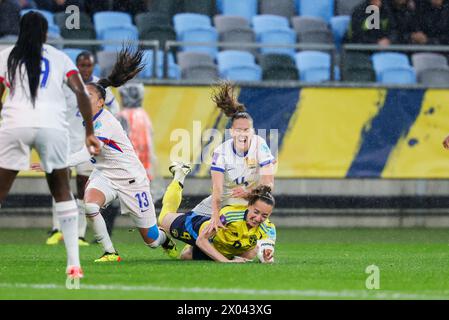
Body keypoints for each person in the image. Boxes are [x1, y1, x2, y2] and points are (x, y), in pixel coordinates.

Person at [0, 12, 100, 279]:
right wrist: (90, 132)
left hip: (15, 124)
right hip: (52, 128)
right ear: (46, 33)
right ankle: (74, 264)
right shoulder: (59, 57)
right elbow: (81, 91)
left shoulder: (6, 54)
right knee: (62, 190)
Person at [69, 45, 177, 262]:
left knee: (152, 241)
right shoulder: (88, 119)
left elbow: (85, 153)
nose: (83, 99)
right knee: (90, 205)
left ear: (101, 102)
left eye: (89, 96)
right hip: (105, 174)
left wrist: (55, 162)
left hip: (131, 179)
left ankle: (166, 241)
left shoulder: (105, 124)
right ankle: (110, 253)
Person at [45, 50, 120, 246]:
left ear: (93, 66)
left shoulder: (99, 87)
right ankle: (56, 230)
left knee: (82, 186)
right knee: (60, 183)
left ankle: (79, 234)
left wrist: (104, 128)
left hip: (87, 142)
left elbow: (115, 108)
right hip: (65, 140)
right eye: (82, 65)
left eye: (89, 65)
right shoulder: (68, 83)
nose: (85, 69)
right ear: (77, 66)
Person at [190, 82, 275, 234]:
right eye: (238, 130)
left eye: (247, 130)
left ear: (253, 131)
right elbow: (217, 188)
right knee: (188, 225)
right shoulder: (221, 152)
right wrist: (215, 215)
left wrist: (249, 192)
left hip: (249, 203)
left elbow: (268, 183)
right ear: (231, 132)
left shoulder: (260, 145)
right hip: (222, 200)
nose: (243, 134)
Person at [158, 166, 276, 263]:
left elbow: (266, 253)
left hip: (222, 246)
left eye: (264, 216)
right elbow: (201, 240)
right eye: (256, 212)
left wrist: (266, 256)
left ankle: (194, 250)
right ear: (249, 206)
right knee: (163, 219)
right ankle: (179, 176)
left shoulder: (269, 228)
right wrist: (226, 262)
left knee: (186, 256)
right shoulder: (230, 215)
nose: (258, 218)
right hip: (198, 230)